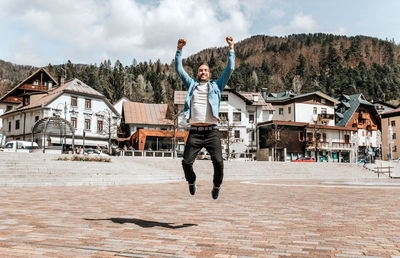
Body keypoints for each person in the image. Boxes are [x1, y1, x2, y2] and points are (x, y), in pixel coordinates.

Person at [175, 36, 235, 199]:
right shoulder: (191, 85)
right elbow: (179, 70)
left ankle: (216, 185)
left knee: (219, 162)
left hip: (212, 132)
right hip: (194, 132)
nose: (203, 72)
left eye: (206, 70)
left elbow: (229, 69)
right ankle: (191, 181)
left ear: (209, 74)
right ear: (197, 73)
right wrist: (179, 50)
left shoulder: (216, 86)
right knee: (186, 163)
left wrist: (231, 49)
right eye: (201, 70)